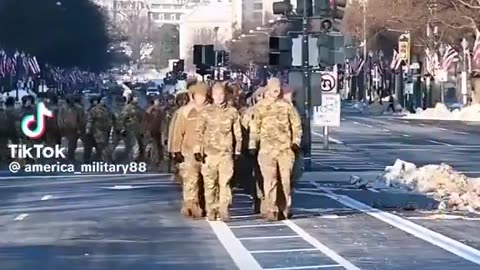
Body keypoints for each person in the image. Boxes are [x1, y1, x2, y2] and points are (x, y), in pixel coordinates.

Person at [248, 78, 302, 221]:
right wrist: (253, 145)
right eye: (274, 87)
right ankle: (271, 208)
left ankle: (284, 207)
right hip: (266, 149)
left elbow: (296, 125)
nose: (276, 90)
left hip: (285, 149)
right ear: (268, 89)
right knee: (270, 180)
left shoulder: (287, 106)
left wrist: (296, 142)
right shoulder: (260, 107)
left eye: (278, 87)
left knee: (285, 180)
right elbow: (255, 126)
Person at [194, 82, 242, 221]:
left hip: (225, 153)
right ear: (212, 96)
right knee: (210, 184)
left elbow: (237, 133)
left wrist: (237, 151)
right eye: (216, 94)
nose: (219, 97)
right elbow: (199, 131)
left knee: (225, 183)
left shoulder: (232, 112)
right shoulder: (205, 111)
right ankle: (211, 209)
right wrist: (198, 149)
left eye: (221, 94)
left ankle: (223, 210)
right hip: (209, 154)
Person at [170, 83, 209, 218]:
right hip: (188, 151)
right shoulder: (185, 112)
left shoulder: (210, 110)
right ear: (193, 96)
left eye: (203, 96)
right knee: (190, 181)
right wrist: (176, 150)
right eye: (198, 96)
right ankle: (191, 206)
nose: (201, 99)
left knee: (207, 182)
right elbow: (177, 132)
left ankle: (205, 205)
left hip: (207, 152)